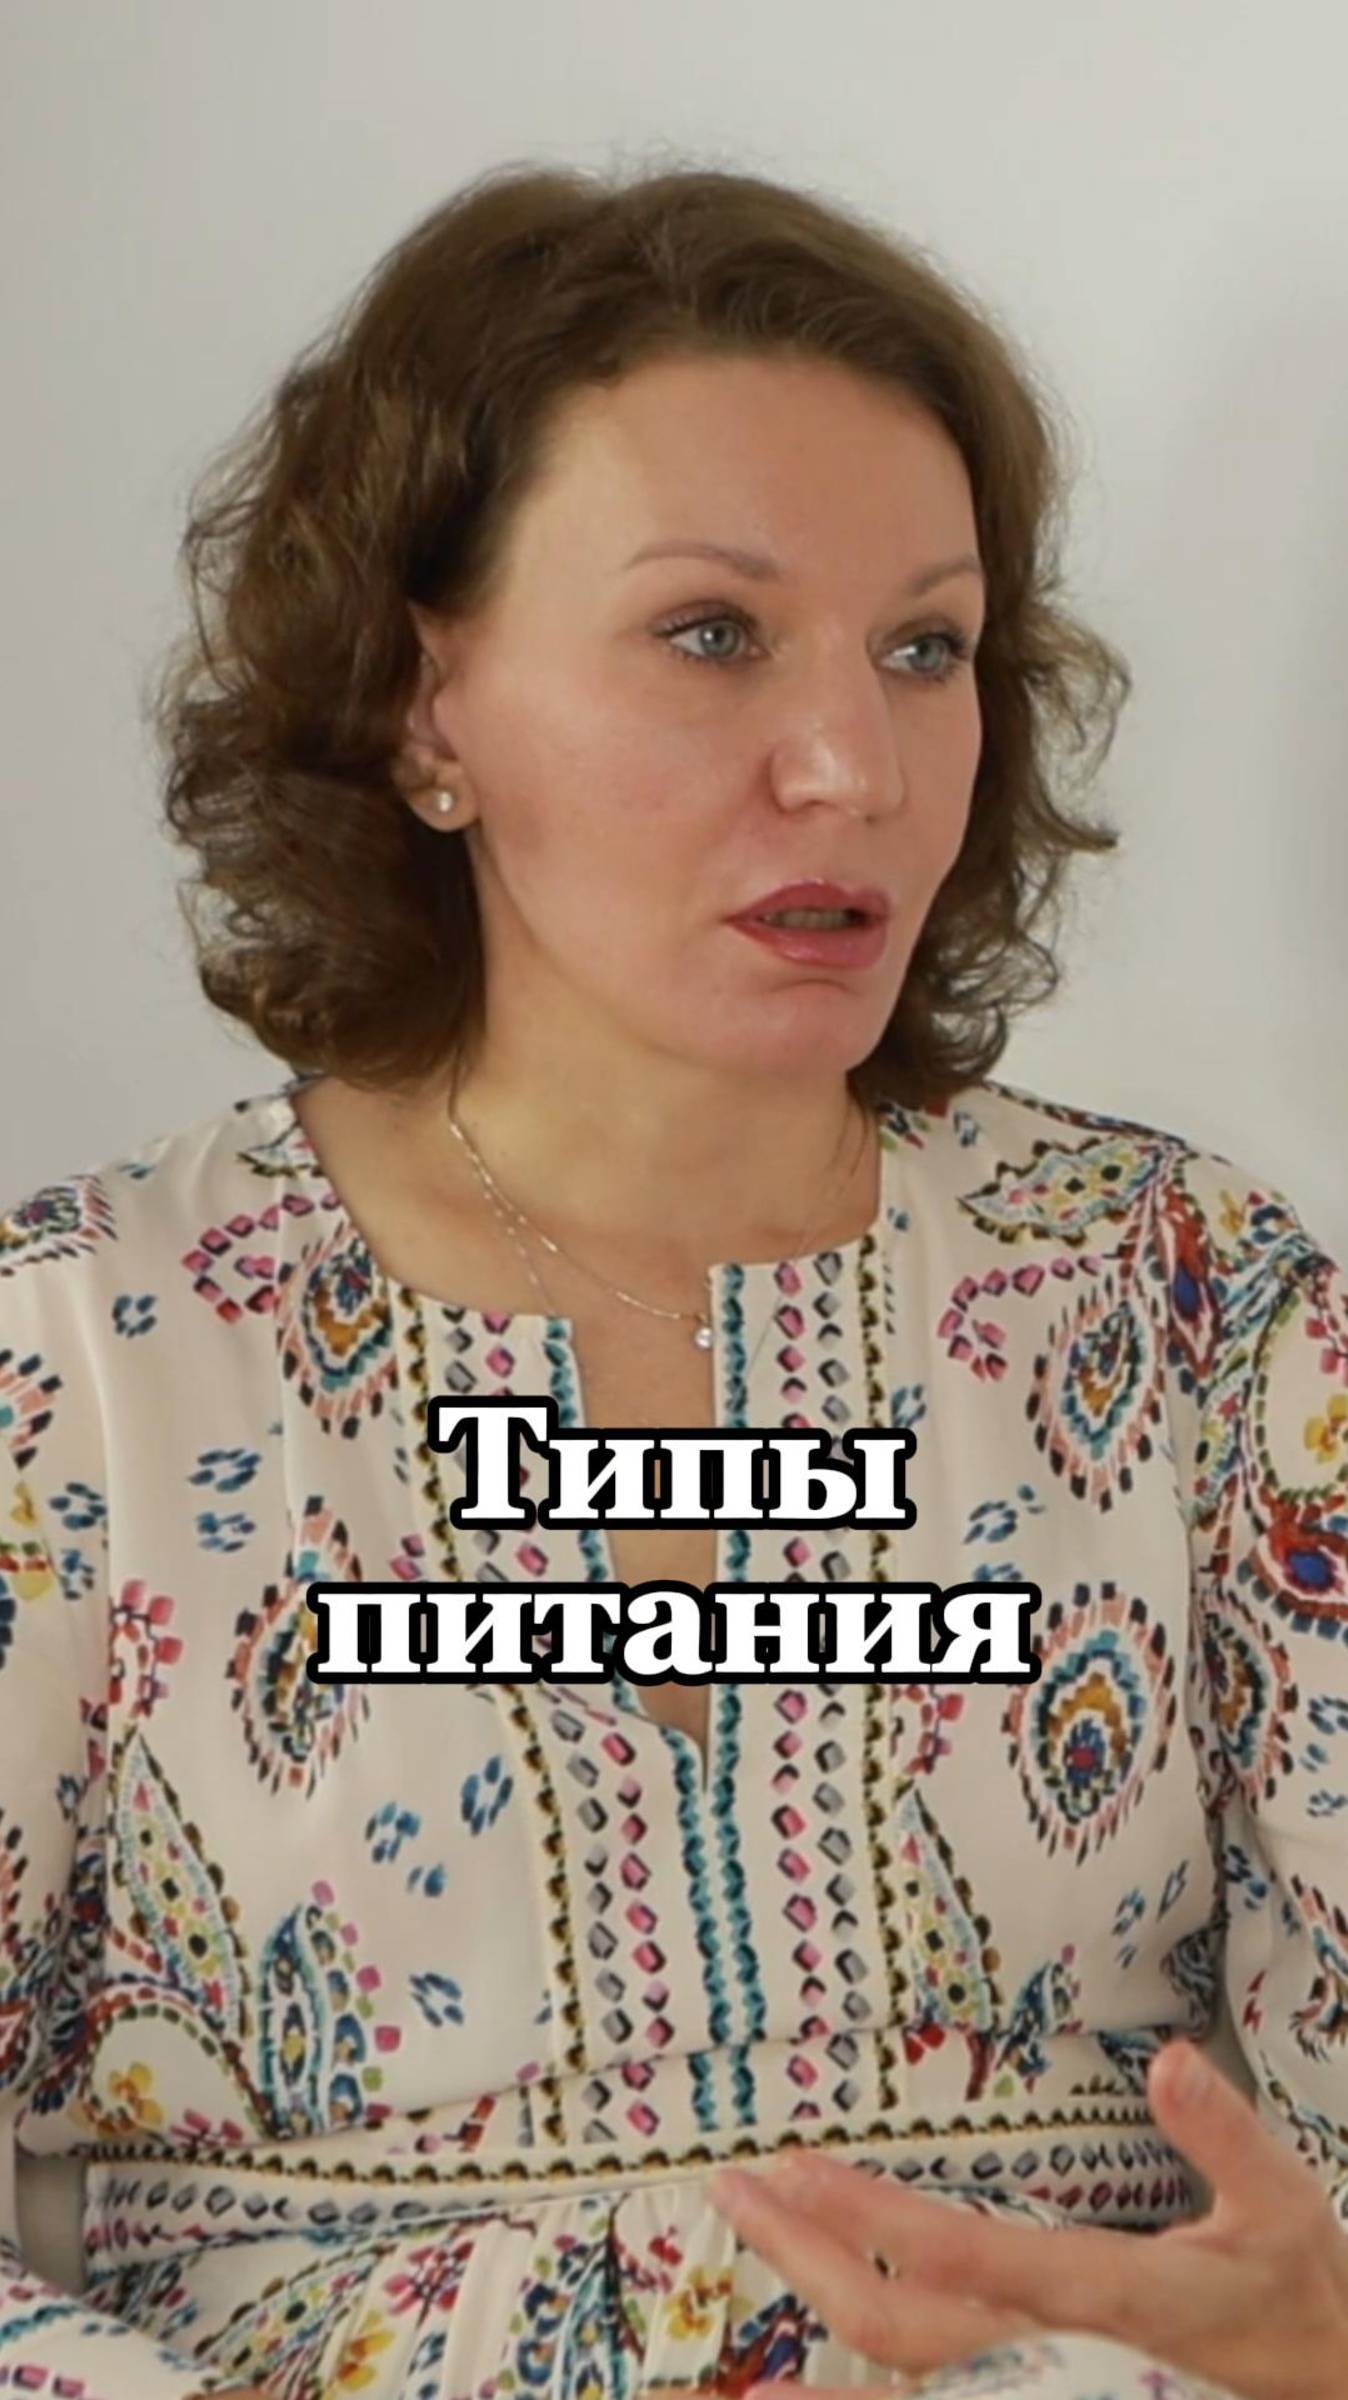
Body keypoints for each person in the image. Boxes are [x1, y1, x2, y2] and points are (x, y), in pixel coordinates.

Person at [2, 155, 1345, 2400]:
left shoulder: (1193, 1310)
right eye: (711, 633)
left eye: (925, 647)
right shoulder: (79, 1358)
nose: (853, 766)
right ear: (424, 702)